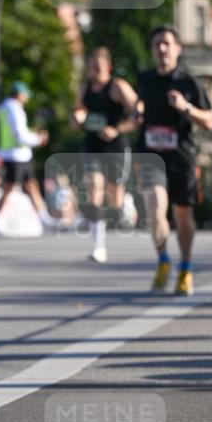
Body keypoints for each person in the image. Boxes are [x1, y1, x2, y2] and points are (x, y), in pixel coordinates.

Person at [135, 25, 212, 295]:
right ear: (152, 50)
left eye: (167, 43)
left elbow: (209, 120)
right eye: (157, 44)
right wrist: (137, 111)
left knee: (183, 216)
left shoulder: (189, 82)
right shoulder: (144, 79)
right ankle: (163, 261)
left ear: (178, 49)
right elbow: (138, 104)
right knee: (155, 209)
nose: (162, 48)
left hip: (181, 156)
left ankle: (186, 268)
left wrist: (185, 107)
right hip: (151, 156)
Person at [71, 48, 138, 262]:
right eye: (91, 67)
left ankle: (125, 201)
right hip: (92, 146)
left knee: (114, 199)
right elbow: (76, 115)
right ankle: (98, 246)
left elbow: (139, 113)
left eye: (98, 67)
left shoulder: (118, 87)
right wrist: (78, 118)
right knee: (94, 189)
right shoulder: (85, 88)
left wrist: (117, 129)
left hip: (116, 147)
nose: (94, 71)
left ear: (108, 67)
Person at [0, 80, 50, 228]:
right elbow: (20, 136)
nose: (27, 97)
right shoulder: (15, 110)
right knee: (9, 188)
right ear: (19, 94)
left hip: (17, 155)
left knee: (31, 185)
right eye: (25, 94)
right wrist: (38, 139)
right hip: (16, 156)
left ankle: (44, 217)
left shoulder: (4, 108)